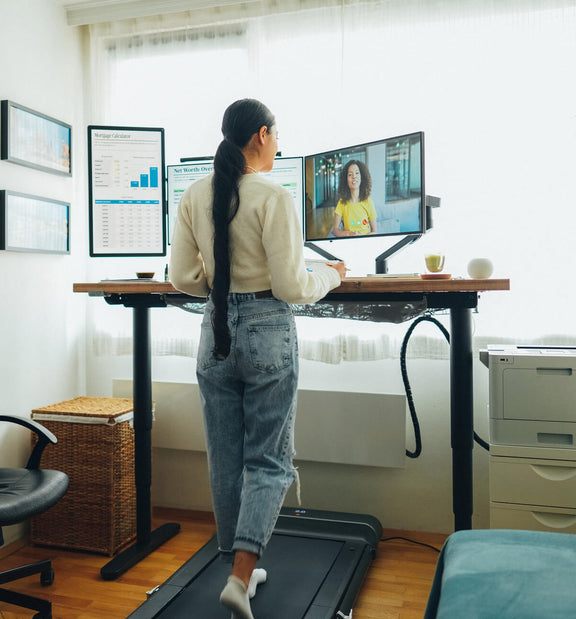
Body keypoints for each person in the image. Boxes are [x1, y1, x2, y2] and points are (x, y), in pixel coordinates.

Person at [169, 98, 347, 619]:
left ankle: (236, 571)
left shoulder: (194, 193)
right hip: (268, 330)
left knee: (225, 460)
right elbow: (293, 285)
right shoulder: (273, 193)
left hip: (215, 330)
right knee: (268, 460)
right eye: (277, 136)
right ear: (263, 136)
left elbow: (183, 278)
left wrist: (221, 285)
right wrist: (333, 273)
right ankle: (241, 575)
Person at [329, 159, 377, 237]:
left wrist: (363, 238)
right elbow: (335, 230)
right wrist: (349, 234)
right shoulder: (342, 202)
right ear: (346, 180)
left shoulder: (368, 202)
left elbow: (375, 232)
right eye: (350, 174)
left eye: (357, 173)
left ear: (362, 177)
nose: (354, 176)